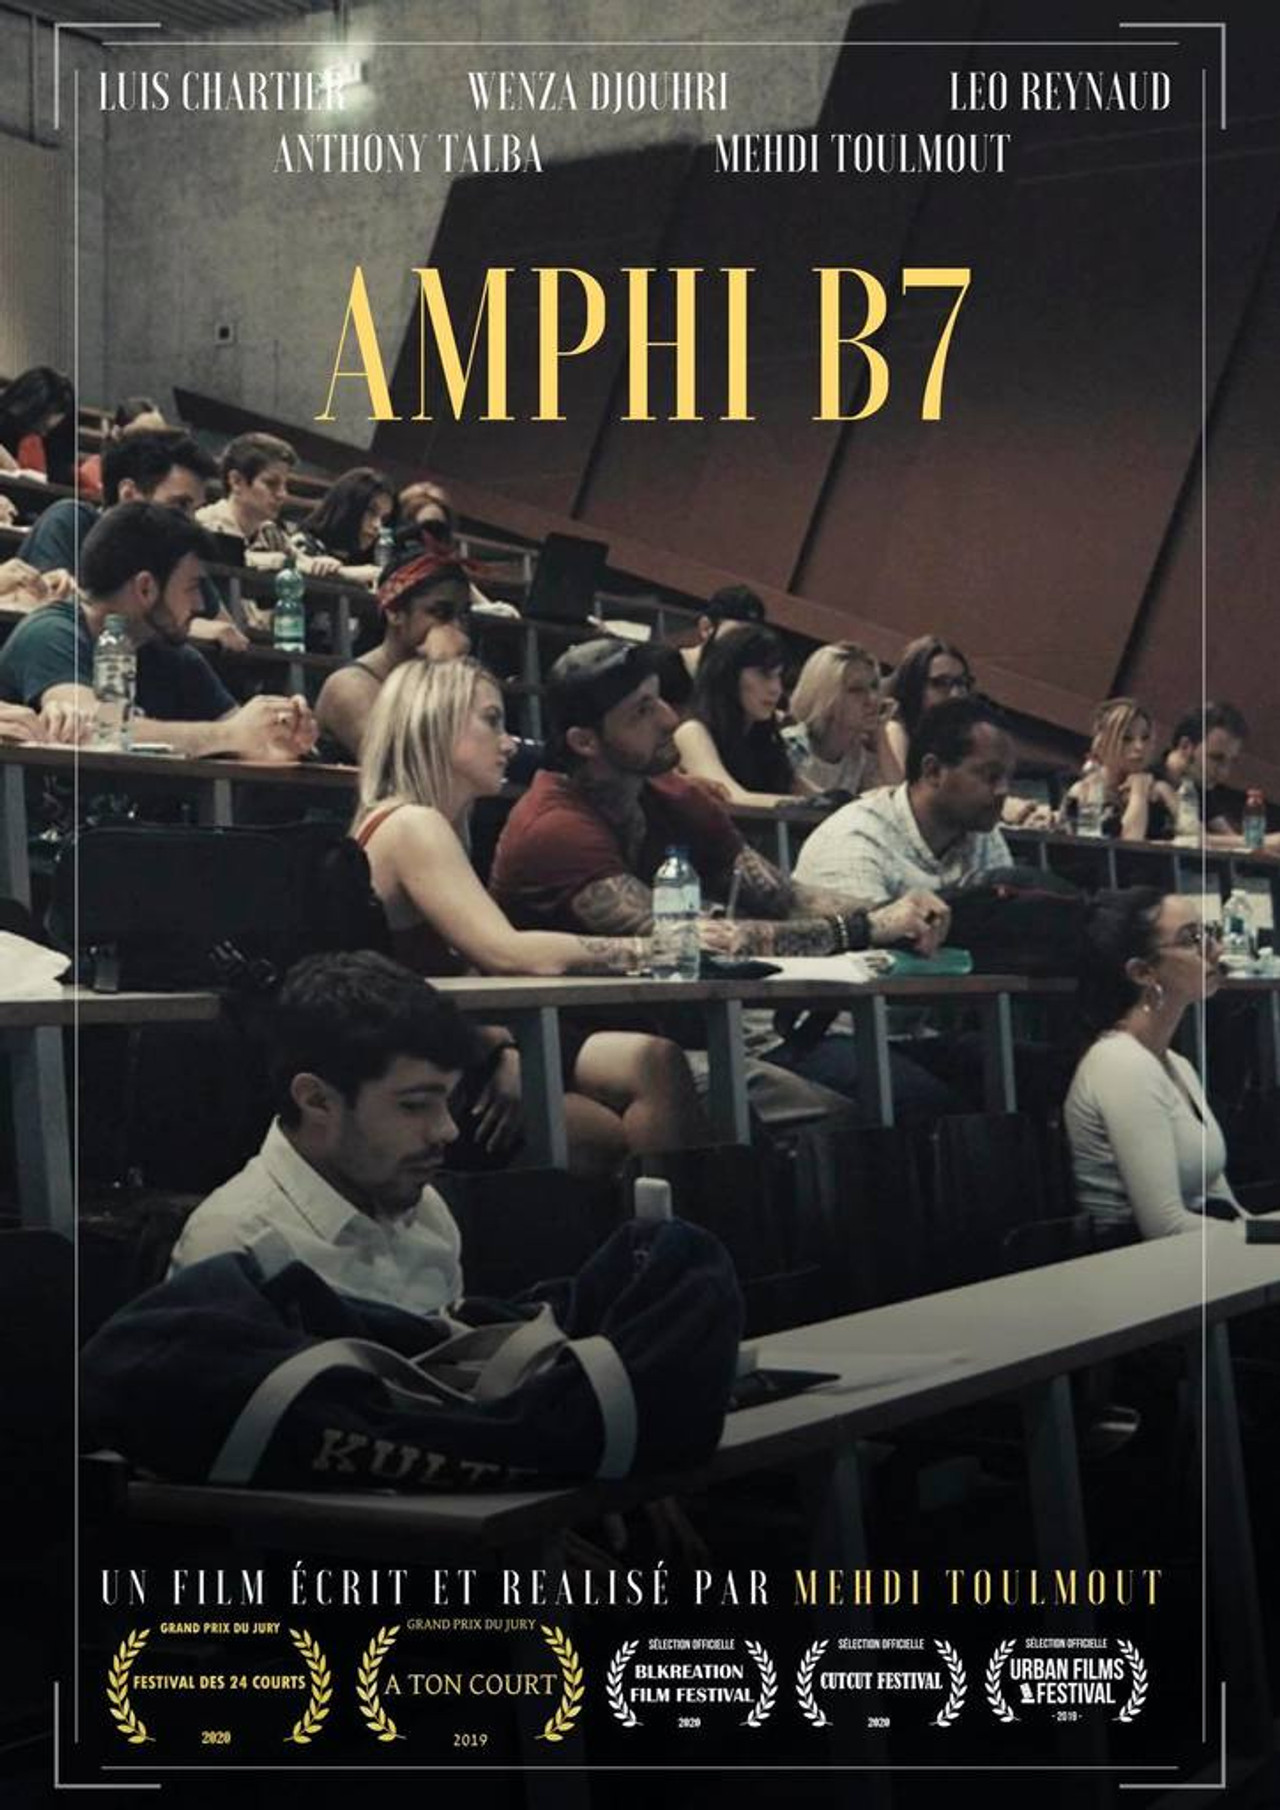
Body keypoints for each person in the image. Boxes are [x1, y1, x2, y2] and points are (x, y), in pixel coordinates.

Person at [490, 638, 954, 1117]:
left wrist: (892, 913)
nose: (669, 719)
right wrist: (861, 928)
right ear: (585, 742)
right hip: (577, 1054)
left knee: (933, 1087)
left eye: (660, 699)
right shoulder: (554, 828)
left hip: (693, 1031)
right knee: (858, 1112)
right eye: (642, 711)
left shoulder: (669, 793)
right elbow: (696, 946)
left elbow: (780, 894)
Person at [351, 655, 710, 1172]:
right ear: (435, 722)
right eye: (491, 721)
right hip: (417, 1071)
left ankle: (674, 1216)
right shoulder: (412, 825)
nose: (510, 743)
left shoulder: (435, 826)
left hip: (460, 1045)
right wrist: (652, 950)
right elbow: (510, 954)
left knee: (655, 1061)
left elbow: (461, 973)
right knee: (612, 1128)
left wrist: (503, 1049)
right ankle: (671, 1218)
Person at [169, 952, 479, 1311]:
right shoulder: (233, 1246)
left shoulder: (427, 1211)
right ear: (317, 1100)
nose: (447, 1130)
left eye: (449, 1102)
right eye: (414, 1105)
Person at [0, 502, 315, 761]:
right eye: (192, 587)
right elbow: (94, 728)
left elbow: (243, 733)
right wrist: (228, 735)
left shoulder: (176, 655)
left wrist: (285, 731)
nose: (200, 603)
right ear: (146, 588)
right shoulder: (51, 632)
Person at [1065, 888, 1239, 1239]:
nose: (1216, 950)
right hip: (1134, 1261)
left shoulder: (1178, 1065)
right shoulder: (1120, 1064)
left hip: (1198, 1251)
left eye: (1209, 934)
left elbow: (1225, 1206)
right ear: (1142, 972)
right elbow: (1164, 1225)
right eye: (1193, 939)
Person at [16, 428, 246, 653]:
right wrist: (190, 627)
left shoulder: (179, 556)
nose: (190, 522)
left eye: (195, 510)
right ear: (128, 495)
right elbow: (50, 606)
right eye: (180, 506)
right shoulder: (70, 521)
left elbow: (228, 630)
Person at [793, 695, 1014, 901]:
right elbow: (873, 930)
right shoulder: (852, 842)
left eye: (1008, 777)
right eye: (990, 776)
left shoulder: (981, 833)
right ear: (933, 771)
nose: (1003, 790)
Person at [314, 546, 473, 761]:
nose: (456, 628)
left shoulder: (446, 678)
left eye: (463, 615)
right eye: (440, 613)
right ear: (394, 612)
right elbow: (404, 769)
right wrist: (442, 674)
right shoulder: (349, 686)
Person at [674, 623, 801, 806]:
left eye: (779, 676)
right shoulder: (691, 732)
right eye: (764, 674)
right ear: (729, 675)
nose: (776, 689)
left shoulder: (765, 740)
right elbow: (731, 798)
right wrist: (807, 805)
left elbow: (808, 792)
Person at [197, 431, 333, 578]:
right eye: (271, 483)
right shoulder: (203, 526)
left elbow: (305, 563)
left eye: (285, 485)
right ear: (236, 481)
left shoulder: (270, 532)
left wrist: (328, 566)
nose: (282, 494)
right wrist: (278, 562)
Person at [1157, 702, 1277, 849]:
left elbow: (1234, 842)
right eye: (1216, 758)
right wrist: (1270, 841)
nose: (1223, 773)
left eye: (1230, 762)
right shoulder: (1148, 779)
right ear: (1185, 746)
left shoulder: (1198, 784)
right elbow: (1194, 840)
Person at [784, 641, 893, 800]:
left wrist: (881, 735)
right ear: (825, 696)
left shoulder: (859, 756)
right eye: (856, 690)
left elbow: (896, 802)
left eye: (874, 687)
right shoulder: (793, 746)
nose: (872, 699)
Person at [1062, 697, 1178, 841]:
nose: (1139, 747)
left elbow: (1197, 838)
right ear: (1103, 743)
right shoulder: (1085, 792)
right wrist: (1138, 794)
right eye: (1126, 739)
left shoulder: (1161, 791)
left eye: (1145, 738)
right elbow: (1129, 843)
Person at [290, 465, 393, 587]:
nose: (377, 525)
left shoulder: (373, 559)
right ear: (348, 508)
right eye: (371, 511)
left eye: (383, 518)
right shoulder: (302, 545)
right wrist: (333, 573)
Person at [78, 395, 167, 503]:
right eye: (143, 435)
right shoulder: (92, 472)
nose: (154, 444)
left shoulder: (169, 479)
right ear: (118, 434)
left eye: (160, 437)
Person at [678, 582, 766, 681]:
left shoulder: (734, 684)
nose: (744, 644)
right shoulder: (667, 667)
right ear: (706, 628)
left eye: (752, 638)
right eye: (736, 634)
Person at [0, 366, 74, 479]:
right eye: (37, 425)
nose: (42, 433)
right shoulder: (7, 417)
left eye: (45, 429)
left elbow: (58, 474)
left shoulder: (61, 432)